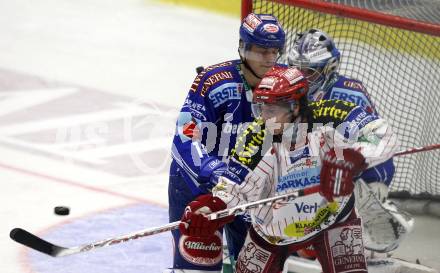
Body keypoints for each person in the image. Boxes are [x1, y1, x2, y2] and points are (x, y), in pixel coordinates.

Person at [179, 66, 398, 273]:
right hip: (273, 233)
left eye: (271, 109)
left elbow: (380, 134)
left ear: (295, 107)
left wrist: (353, 158)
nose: (263, 117)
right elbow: (236, 189)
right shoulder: (256, 137)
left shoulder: (332, 114)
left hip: (334, 218)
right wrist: (211, 209)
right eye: (261, 107)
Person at [167, 13, 286, 272]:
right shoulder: (213, 82)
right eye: (262, 50)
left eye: (275, 51)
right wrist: (213, 171)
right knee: (199, 267)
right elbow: (185, 136)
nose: (269, 58)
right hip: (199, 188)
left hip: (251, 191)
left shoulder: (286, 84)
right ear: (243, 47)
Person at [288, 29, 403, 255]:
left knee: (380, 167)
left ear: (328, 69)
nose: (301, 78)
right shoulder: (284, 88)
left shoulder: (351, 93)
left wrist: (347, 162)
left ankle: (366, 219)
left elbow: (375, 141)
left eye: (308, 72)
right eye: (296, 69)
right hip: (301, 167)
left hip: (339, 170)